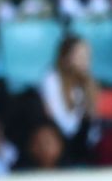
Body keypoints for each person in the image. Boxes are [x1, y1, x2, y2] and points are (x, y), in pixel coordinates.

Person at [39, 34, 100, 165]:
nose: (85, 60)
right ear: (67, 57)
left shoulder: (89, 83)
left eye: (87, 56)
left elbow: (94, 133)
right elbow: (61, 122)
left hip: (82, 145)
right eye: (80, 55)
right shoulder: (52, 79)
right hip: (61, 142)